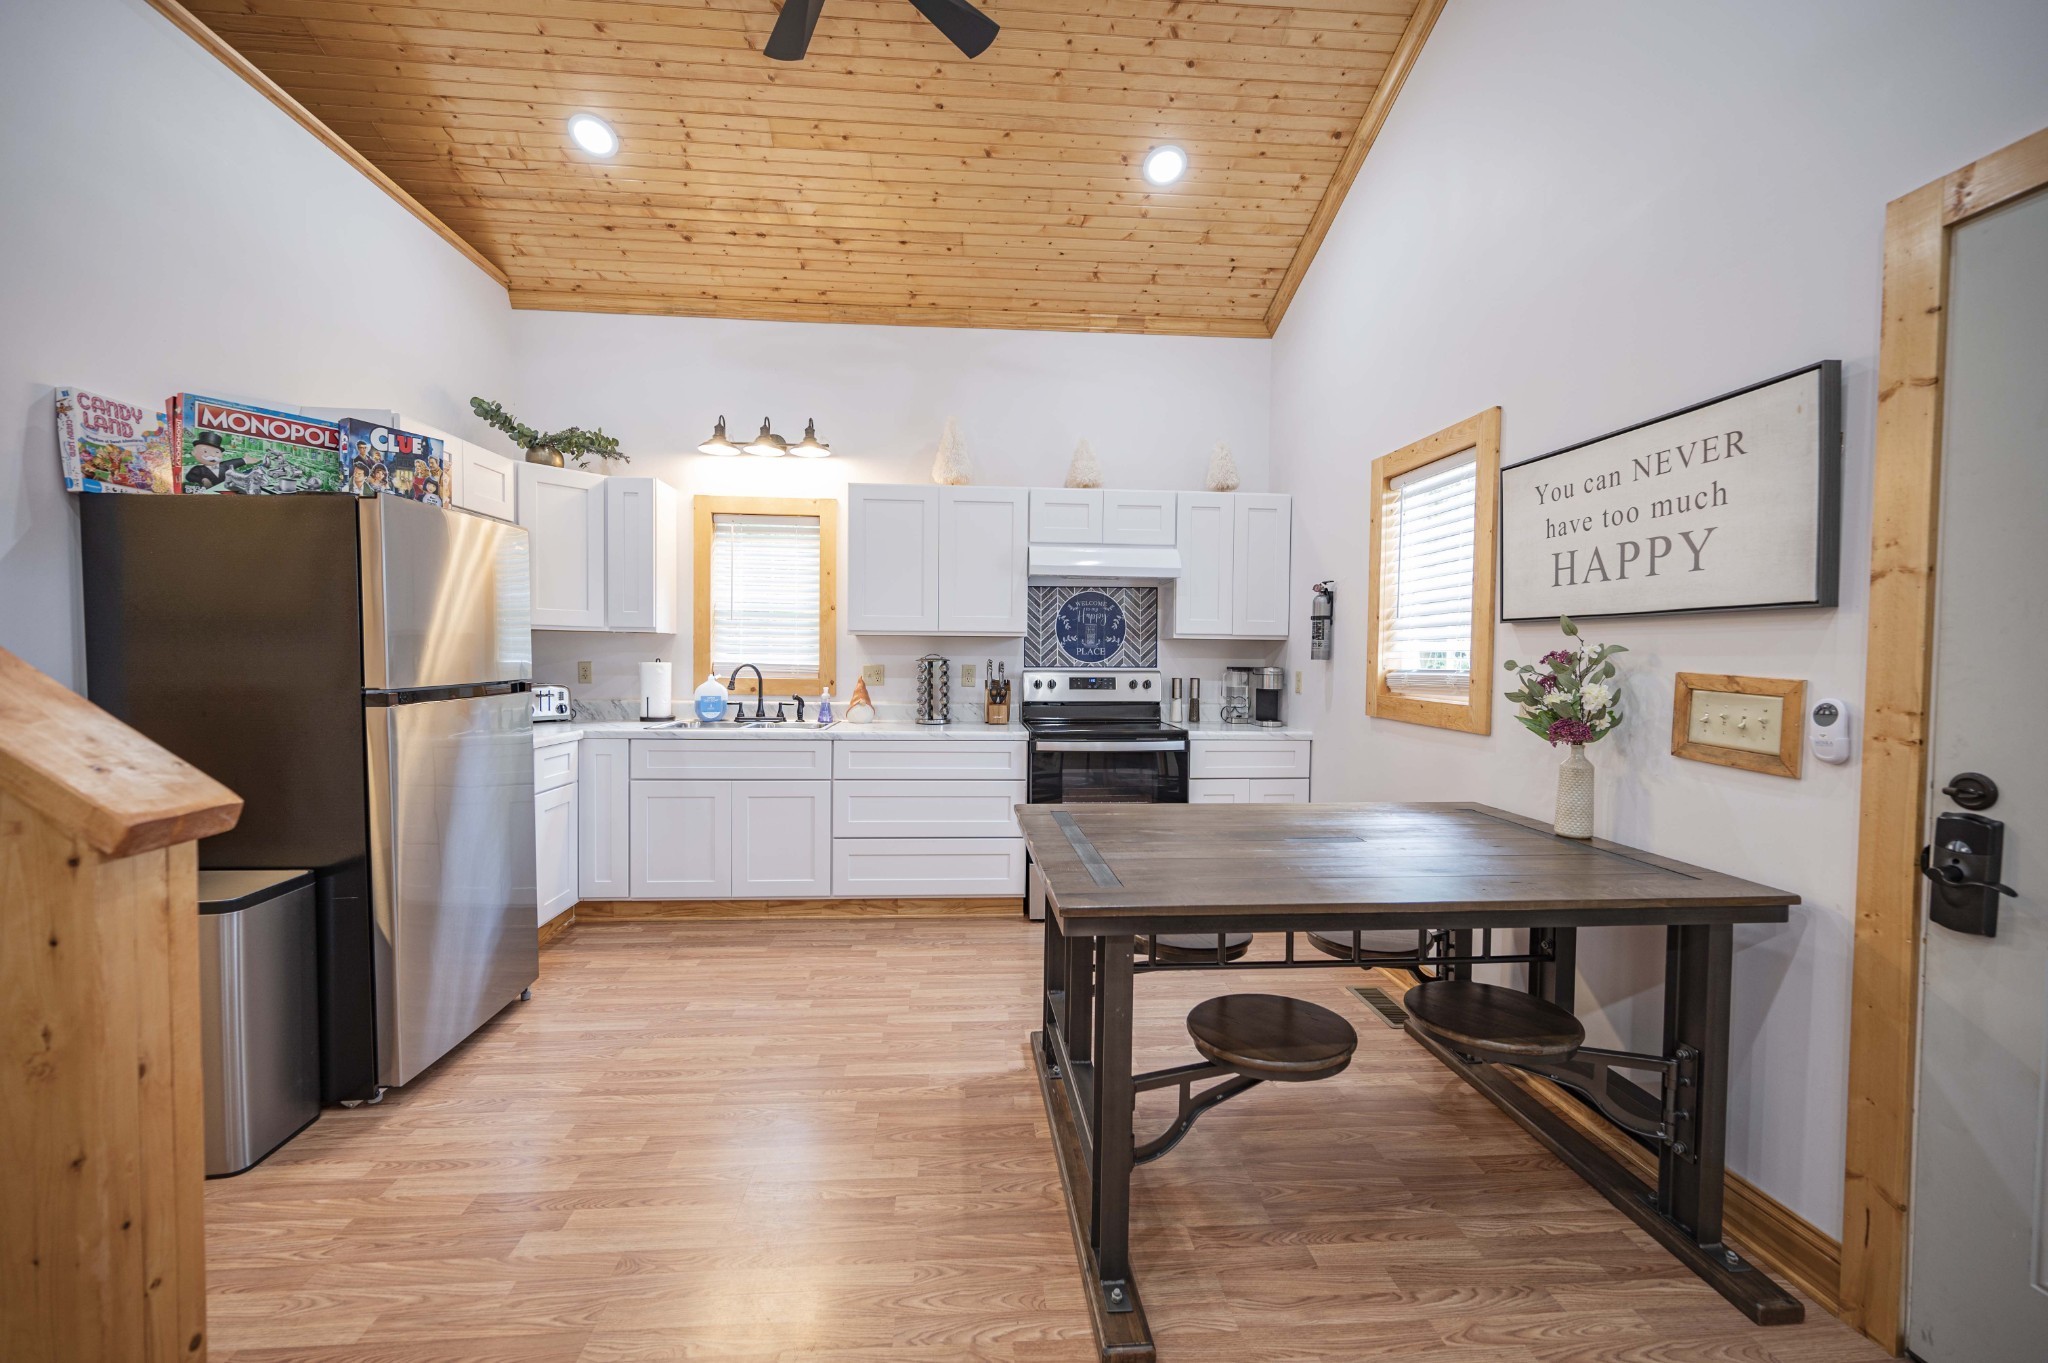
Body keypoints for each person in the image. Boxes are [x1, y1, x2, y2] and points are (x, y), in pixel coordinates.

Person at [182, 430, 248, 491]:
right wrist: (202, 479)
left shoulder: (224, 465)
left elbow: (235, 462)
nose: (213, 455)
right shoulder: (198, 469)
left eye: (217, 452)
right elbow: (189, 476)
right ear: (194, 453)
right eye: (205, 451)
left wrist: (245, 459)